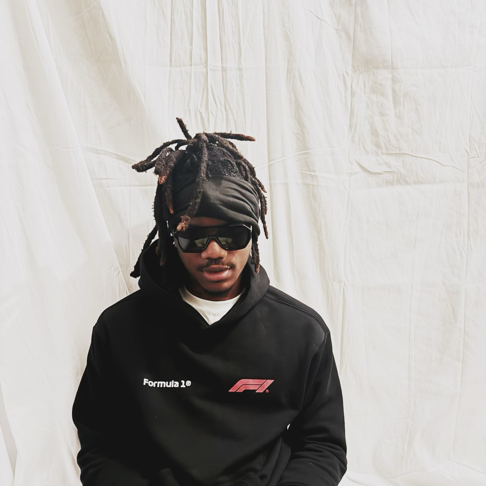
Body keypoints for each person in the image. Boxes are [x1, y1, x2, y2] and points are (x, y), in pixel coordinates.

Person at [72, 119, 347, 486]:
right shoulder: (119, 330)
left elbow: (322, 444)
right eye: (194, 236)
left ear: (253, 231)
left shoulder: (302, 333)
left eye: (232, 233)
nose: (214, 251)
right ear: (171, 237)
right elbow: (101, 445)